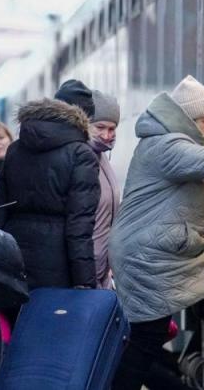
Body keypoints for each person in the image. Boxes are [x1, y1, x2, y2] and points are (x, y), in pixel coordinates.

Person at [109, 75, 204, 390]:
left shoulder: (167, 142)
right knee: (149, 336)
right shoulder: (166, 145)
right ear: (187, 119)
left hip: (158, 251)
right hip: (149, 255)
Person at [0, 79, 100, 293]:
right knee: (53, 323)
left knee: (18, 323)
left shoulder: (15, 148)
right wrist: (85, 281)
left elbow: (0, 209)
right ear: (85, 118)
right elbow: (79, 225)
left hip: (14, 255)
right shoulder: (81, 154)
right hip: (57, 262)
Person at [88, 90, 121, 290]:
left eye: (112, 129)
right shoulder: (83, 158)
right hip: (87, 270)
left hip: (102, 271)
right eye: (100, 127)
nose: (106, 136)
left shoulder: (102, 158)